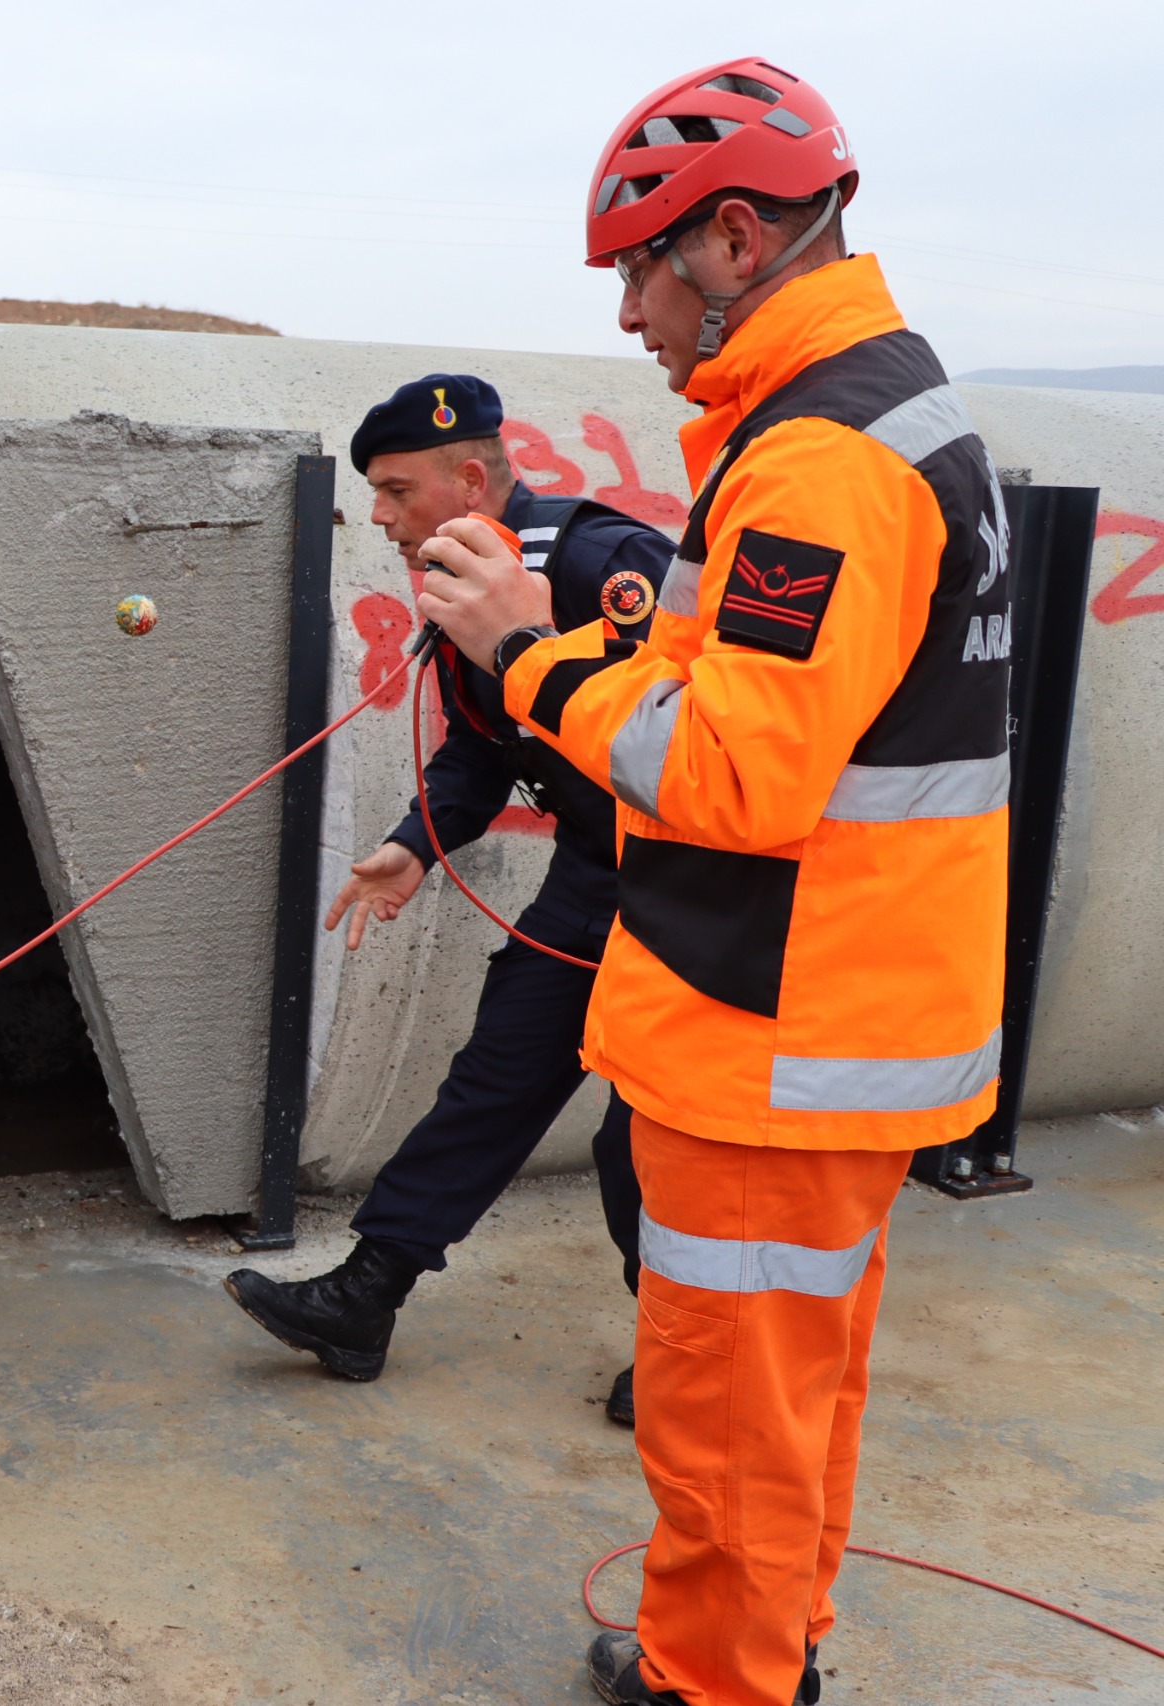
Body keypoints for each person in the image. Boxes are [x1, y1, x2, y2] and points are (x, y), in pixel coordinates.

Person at [415, 58, 1012, 1706]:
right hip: (846, 1012)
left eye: (638, 267)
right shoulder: (886, 403)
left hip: (777, 1030)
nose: (626, 314)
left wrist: (526, 661)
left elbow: (740, 777)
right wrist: (620, 648)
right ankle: (752, 1647)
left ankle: (723, 1685)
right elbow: (793, 695)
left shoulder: (818, 464)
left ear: (736, 238)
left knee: (727, 1418)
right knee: (787, 1398)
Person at [225, 375, 669, 1414]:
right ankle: (363, 1299)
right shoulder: (462, 585)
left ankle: (687, 1349)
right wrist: (411, 845)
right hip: (592, 873)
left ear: (469, 481)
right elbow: (481, 747)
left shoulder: (603, 565)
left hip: (690, 880)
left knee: (642, 1135)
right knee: (499, 1069)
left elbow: (689, 727)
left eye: (393, 490)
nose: (375, 514)